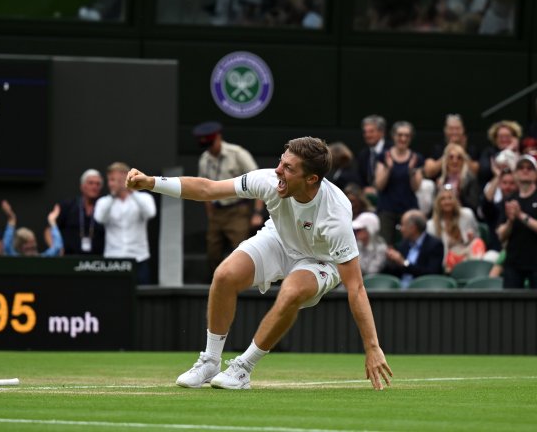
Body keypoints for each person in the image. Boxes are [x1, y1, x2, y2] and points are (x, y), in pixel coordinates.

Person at [126, 136, 392, 390]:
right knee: (225, 275)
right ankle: (210, 361)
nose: (278, 170)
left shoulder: (335, 216)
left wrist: (372, 347)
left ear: (311, 179)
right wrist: (152, 183)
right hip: (278, 238)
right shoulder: (269, 180)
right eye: (280, 161)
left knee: (291, 291)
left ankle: (243, 368)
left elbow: (355, 287)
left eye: (288, 168)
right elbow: (209, 189)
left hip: (320, 261)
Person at [193, 121, 265, 275]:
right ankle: (217, 285)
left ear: (218, 138)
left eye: (211, 144)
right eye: (206, 145)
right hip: (217, 212)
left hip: (237, 210)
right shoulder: (204, 159)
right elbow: (202, 187)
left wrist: (257, 212)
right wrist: (210, 214)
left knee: (240, 251)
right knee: (212, 253)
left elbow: (259, 181)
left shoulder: (237, 154)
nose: (210, 148)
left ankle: (243, 286)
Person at [496, 155, 537, 289]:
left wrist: (521, 215)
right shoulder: (509, 200)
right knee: (510, 306)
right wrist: (511, 222)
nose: (525, 170)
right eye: (521, 168)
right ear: (515, 174)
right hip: (514, 262)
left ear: (536, 174)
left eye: (529, 168)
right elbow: (501, 235)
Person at [94, 161, 157, 284]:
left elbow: (150, 213)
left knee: (141, 299)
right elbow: (99, 218)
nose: (114, 183)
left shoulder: (143, 198)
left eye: (119, 179)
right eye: (111, 180)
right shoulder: (104, 202)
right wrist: (113, 195)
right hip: (113, 260)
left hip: (139, 259)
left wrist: (131, 190)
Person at [374, 121, 424, 246]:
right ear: (394, 136)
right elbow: (379, 185)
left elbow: (416, 187)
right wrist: (389, 169)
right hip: (387, 208)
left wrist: (412, 171)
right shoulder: (384, 156)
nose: (403, 138)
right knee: (385, 245)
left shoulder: (416, 158)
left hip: (408, 208)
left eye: (407, 135)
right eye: (400, 135)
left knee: (408, 245)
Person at [427, 187, 486, 273]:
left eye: (450, 198)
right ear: (438, 203)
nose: (447, 202)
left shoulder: (467, 214)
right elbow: (432, 251)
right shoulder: (431, 225)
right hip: (447, 257)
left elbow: (477, 235)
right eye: (443, 199)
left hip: (468, 252)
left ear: (455, 200)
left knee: (478, 242)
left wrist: (471, 238)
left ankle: (475, 268)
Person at [383, 209, 445, 287]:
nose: (401, 229)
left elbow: (431, 274)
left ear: (413, 228)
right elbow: (394, 272)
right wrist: (390, 260)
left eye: (402, 225)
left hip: (424, 292)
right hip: (399, 292)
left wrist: (404, 263)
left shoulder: (435, 245)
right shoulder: (403, 245)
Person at [54, 168, 106, 256]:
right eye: (91, 183)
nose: (94, 187)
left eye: (98, 184)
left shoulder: (105, 208)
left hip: (98, 261)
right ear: (82, 186)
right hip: (69, 259)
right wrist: (56, 247)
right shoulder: (68, 206)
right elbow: (49, 229)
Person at [355, 114, 389, 195]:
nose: (367, 135)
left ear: (382, 132)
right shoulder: (363, 155)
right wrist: (365, 189)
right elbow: (359, 178)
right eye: (365, 132)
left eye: (371, 131)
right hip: (367, 197)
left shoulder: (391, 151)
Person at [353, 211, 387, 275]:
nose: (356, 232)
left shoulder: (381, 248)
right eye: (355, 230)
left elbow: (372, 271)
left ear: (369, 229)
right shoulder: (358, 244)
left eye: (359, 230)